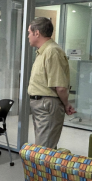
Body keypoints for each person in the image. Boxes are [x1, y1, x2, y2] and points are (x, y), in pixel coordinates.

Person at [28, 17, 76, 149]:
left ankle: (41, 170)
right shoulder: (42, 52)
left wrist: (66, 104)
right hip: (41, 104)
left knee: (45, 148)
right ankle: (41, 169)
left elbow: (60, 86)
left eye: (29, 33)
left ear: (37, 33)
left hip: (47, 104)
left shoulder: (52, 52)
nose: (28, 36)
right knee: (43, 143)